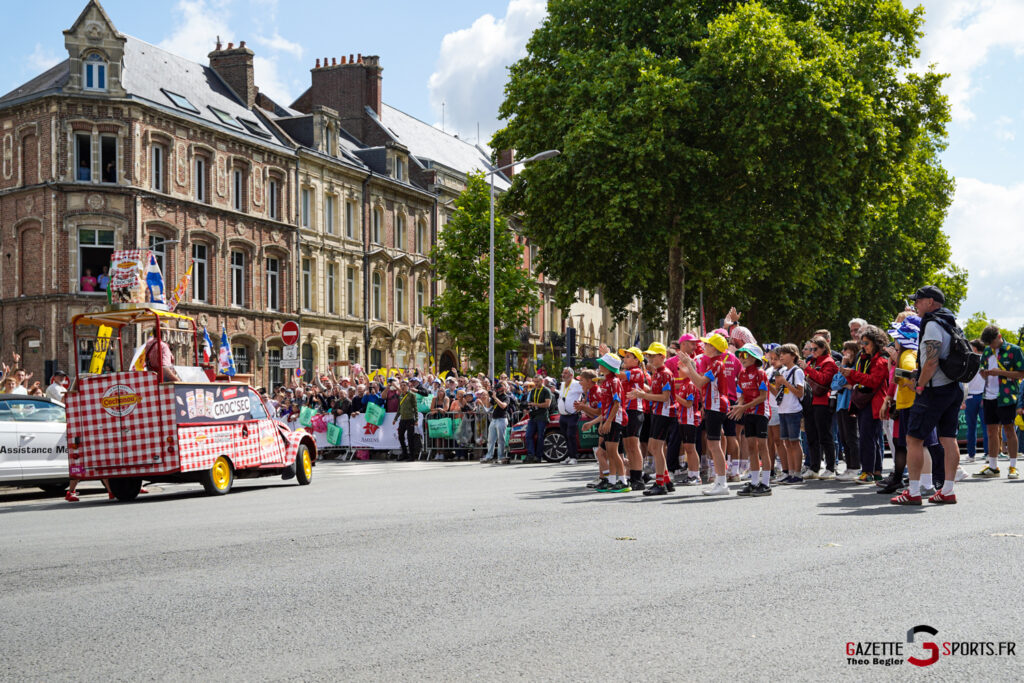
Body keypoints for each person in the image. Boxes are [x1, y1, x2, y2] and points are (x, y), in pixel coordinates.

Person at [892, 285, 962, 505]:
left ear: (930, 302)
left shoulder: (931, 324)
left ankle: (913, 492)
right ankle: (947, 490)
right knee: (948, 438)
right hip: (954, 387)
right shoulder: (951, 323)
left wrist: (920, 384)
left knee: (913, 438)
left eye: (918, 301)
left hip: (934, 389)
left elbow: (931, 361)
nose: (915, 305)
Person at [677, 333, 732, 496]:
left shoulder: (716, 364)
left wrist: (690, 366)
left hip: (716, 406)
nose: (704, 347)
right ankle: (719, 481)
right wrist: (691, 368)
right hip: (712, 406)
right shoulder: (713, 363)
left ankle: (722, 483)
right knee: (713, 444)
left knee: (714, 445)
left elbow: (700, 382)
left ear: (714, 348)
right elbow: (700, 382)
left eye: (707, 345)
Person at [840, 325, 889, 485]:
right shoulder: (863, 357)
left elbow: (873, 382)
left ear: (876, 342)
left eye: (866, 343)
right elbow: (857, 380)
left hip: (873, 402)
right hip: (863, 402)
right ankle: (874, 472)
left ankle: (869, 472)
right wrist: (848, 373)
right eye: (862, 343)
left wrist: (853, 374)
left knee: (868, 438)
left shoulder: (881, 360)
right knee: (869, 438)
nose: (863, 346)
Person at [974, 325, 1024, 479]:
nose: (991, 346)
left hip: (1006, 395)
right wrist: (984, 374)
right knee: (991, 431)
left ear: (999, 336)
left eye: (992, 343)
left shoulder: (1014, 350)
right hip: (988, 396)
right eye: (988, 344)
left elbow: (1021, 374)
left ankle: (1013, 466)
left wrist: (999, 372)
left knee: (1009, 429)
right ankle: (993, 467)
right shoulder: (987, 351)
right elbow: (983, 371)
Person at [630, 343, 675, 496]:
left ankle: (660, 483)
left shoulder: (666, 373)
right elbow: (655, 392)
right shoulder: (657, 373)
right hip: (657, 412)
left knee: (656, 447)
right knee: (654, 447)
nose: (649, 358)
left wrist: (644, 395)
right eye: (648, 356)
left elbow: (665, 397)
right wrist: (642, 391)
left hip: (665, 413)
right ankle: (666, 481)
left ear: (662, 357)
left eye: (653, 356)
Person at [730, 344, 772, 496]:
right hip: (747, 412)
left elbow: (762, 397)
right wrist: (739, 406)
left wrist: (743, 407)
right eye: (740, 355)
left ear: (755, 358)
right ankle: (754, 482)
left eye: (745, 355)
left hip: (761, 412)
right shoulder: (741, 374)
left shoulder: (761, 373)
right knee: (751, 447)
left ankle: (766, 483)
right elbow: (741, 396)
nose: (742, 359)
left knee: (762, 446)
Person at [798, 336, 839, 479]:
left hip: (822, 402)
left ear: (823, 348)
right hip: (809, 401)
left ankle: (830, 467)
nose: (812, 351)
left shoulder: (829, 362)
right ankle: (814, 467)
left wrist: (807, 368)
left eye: (815, 349)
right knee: (811, 436)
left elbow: (823, 379)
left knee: (825, 436)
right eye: (811, 349)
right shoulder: (812, 361)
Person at [590, 353, 629, 492]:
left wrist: (609, 421)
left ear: (608, 367)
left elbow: (617, 403)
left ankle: (623, 481)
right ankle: (612, 480)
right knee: (610, 453)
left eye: (602, 364)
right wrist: (603, 422)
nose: (600, 366)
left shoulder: (614, 381)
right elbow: (606, 405)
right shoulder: (606, 381)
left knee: (613, 452)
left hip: (615, 420)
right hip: (608, 419)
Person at [772, 344, 806, 484]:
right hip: (783, 410)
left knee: (794, 441)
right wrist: (775, 385)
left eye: (785, 353)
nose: (781, 356)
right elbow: (778, 394)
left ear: (793, 355)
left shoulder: (797, 371)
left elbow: (800, 392)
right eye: (781, 353)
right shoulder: (783, 371)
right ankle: (790, 473)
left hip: (793, 410)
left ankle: (797, 473)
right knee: (786, 442)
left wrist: (784, 382)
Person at [618, 347, 649, 491]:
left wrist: (608, 360)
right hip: (626, 411)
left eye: (629, 356)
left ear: (636, 360)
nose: (625, 359)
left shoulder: (636, 371)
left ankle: (638, 478)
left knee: (634, 446)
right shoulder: (629, 372)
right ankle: (634, 475)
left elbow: (620, 376)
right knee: (628, 446)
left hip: (634, 411)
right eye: (625, 356)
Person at [832, 341, 862, 480]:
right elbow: (835, 384)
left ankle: (855, 467)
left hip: (851, 404)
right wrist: (845, 381)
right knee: (844, 437)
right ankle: (849, 467)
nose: (844, 352)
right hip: (840, 405)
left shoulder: (856, 366)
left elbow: (852, 382)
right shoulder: (844, 366)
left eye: (847, 350)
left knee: (851, 437)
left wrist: (846, 382)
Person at [962, 339, 988, 462]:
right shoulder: (970, 360)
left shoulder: (982, 360)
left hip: (980, 396)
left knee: (980, 426)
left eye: (970, 347)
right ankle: (975, 454)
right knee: (975, 427)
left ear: (976, 349)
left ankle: (981, 454)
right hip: (975, 396)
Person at [557, 367, 583, 465]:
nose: (563, 375)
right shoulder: (562, 384)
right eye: (563, 373)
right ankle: (569, 455)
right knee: (565, 436)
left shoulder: (576, 384)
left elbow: (586, 391)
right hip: (563, 415)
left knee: (571, 435)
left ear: (571, 375)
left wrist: (583, 403)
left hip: (573, 414)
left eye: (566, 373)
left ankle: (574, 457)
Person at [523, 376, 551, 464]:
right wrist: (528, 407)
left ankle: (538, 456)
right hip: (533, 416)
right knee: (528, 435)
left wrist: (535, 404)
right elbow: (530, 403)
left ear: (542, 381)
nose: (536, 383)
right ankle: (531, 454)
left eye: (537, 381)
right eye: (534, 381)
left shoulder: (546, 390)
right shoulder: (533, 391)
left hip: (542, 416)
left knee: (540, 437)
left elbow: (547, 404)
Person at [484, 381, 511, 464]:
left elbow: (503, 406)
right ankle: (489, 456)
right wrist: (488, 396)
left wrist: (495, 398)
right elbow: (488, 406)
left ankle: (501, 456)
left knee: (501, 439)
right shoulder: (496, 396)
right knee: (490, 439)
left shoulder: (506, 397)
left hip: (502, 419)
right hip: (494, 419)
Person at [392, 381, 419, 461]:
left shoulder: (412, 395)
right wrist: (395, 418)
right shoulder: (400, 396)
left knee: (410, 437)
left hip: (410, 419)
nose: (403, 387)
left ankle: (412, 455)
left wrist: (416, 419)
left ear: (408, 387)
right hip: (402, 419)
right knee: (400, 436)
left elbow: (415, 407)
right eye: (401, 385)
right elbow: (399, 409)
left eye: (404, 385)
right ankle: (405, 454)